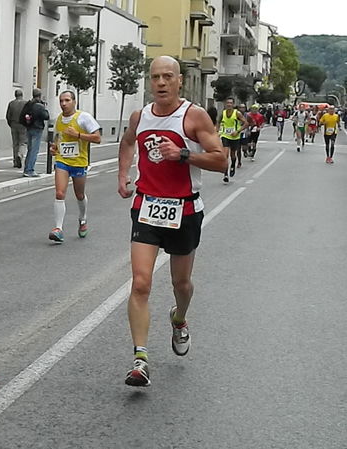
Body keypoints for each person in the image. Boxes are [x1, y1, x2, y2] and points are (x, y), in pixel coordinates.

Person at [118, 56, 227, 387]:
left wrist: (184, 155)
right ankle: (140, 359)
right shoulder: (140, 116)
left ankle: (179, 319)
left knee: (181, 284)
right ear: (150, 82)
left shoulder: (193, 116)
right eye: (155, 78)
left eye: (168, 77)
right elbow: (126, 143)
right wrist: (123, 175)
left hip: (185, 210)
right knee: (140, 283)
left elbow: (221, 160)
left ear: (180, 81)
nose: (161, 83)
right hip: (147, 206)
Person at [48, 90, 101, 243]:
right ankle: (58, 229)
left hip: (79, 162)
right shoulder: (59, 119)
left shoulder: (83, 117)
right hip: (63, 161)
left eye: (67, 100)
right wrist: (54, 148)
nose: (63, 104)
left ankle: (83, 219)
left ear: (74, 101)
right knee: (59, 193)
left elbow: (97, 138)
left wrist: (77, 135)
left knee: (79, 195)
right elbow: (58, 139)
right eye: (61, 101)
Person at [20, 88, 49, 177]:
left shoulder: (29, 104)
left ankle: (26, 169)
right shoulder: (39, 106)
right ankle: (30, 170)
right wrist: (45, 108)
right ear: (39, 96)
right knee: (34, 150)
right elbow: (46, 116)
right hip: (37, 128)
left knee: (30, 149)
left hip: (29, 128)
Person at [217, 97, 247, 182]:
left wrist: (237, 131)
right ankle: (225, 174)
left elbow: (246, 123)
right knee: (225, 155)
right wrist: (217, 131)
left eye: (231, 103)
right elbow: (218, 122)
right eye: (227, 103)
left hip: (235, 137)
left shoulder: (237, 113)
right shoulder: (223, 113)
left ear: (233, 104)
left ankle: (233, 165)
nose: (229, 104)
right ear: (225, 104)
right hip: (225, 136)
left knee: (233, 155)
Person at [6, 89, 27, 168]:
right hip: (23, 125)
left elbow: (8, 115)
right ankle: (20, 155)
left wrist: (10, 124)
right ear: (22, 95)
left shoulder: (11, 103)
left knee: (15, 143)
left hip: (14, 124)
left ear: (15, 95)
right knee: (22, 143)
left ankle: (15, 161)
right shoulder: (25, 103)